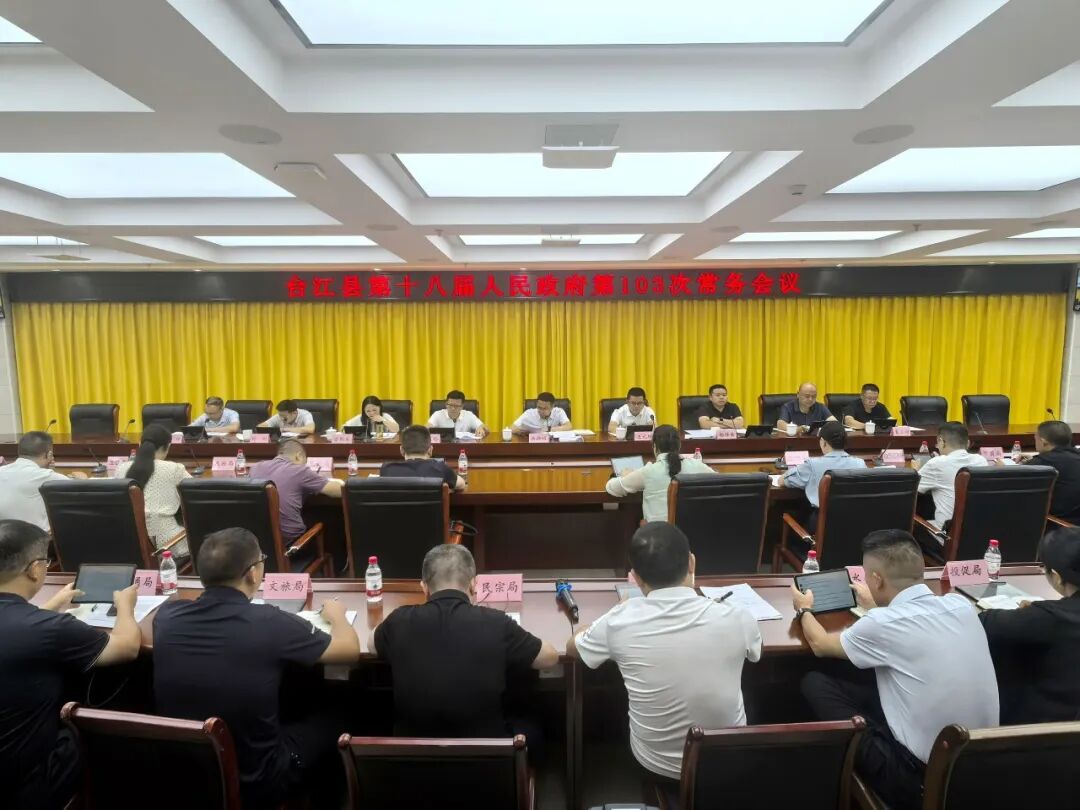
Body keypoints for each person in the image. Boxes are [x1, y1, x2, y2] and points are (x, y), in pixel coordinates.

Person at [153, 527, 360, 808]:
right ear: (252, 573)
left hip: (189, 777)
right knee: (341, 713)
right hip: (259, 782)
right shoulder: (268, 621)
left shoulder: (167, 617)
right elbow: (349, 650)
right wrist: (337, 617)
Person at [794, 529, 998, 810]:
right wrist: (878, 604)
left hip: (920, 781)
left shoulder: (881, 623)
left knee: (815, 682)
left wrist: (803, 608)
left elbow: (819, 644)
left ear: (876, 580)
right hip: (980, 768)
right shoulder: (960, 605)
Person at [568, 523, 761, 785]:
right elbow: (755, 654)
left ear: (636, 577)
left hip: (657, 767)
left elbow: (573, 649)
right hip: (724, 759)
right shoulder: (738, 617)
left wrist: (605, 618)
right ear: (691, 562)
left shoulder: (618, 621)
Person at [0, 519, 140, 810]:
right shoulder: (47, 628)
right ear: (35, 569)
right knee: (98, 729)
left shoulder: (38, 623)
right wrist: (125, 607)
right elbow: (126, 647)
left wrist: (49, 608)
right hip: (26, 783)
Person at [371, 544, 558, 740]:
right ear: (473, 585)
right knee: (531, 719)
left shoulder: (398, 620)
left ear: (424, 587)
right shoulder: (497, 622)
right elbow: (549, 658)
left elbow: (371, 644)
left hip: (411, 755)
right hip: (485, 755)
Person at [980, 528, 1080, 724]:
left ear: (1057, 577)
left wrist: (1034, 613)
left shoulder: (1050, 618)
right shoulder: (1050, 615)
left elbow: (986, 623)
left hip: (1040, 731)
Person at [605, 424, 716, 522]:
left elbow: (612, 488)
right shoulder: (697, 466)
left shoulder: (648, 471)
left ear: (655, 447)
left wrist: (626, 476)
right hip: (690, 532)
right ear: (679, 445)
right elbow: (720, 481)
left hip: (658, 534)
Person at [115, 423, 190, 558]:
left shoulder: (121, 468)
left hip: (131, 543)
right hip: (167, 545)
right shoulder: (174, 469)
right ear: (167, 447)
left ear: (140, 444)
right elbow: (195, 493)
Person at [248, 439, 343, 542]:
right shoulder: (300, 470)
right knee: (330, 517)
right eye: (304, 462)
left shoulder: (255, 468)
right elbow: (341, 491)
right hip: (291, 542)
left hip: (258, 541)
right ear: (298, 456)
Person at [0, 432, 88, 532]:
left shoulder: (1, 470)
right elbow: (81, 491)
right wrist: (83, 480)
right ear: (49, 454)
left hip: (4, 536)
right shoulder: (45, 476)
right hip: (34, 538)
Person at [776, 420, 867, 515]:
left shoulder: (812, 464)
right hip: (855, 520)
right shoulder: (860, 464)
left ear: (823, 442)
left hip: (823, 522)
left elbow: (782, 481)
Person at [913, 421, 988, 530]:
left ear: (941, 442)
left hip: (945, 535)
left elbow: (911, 489)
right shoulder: (981, 460)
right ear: (967, 443)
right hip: (977, 530)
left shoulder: (936, 463)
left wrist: (914, 472)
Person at [380, 425, 466, 492]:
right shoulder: (441, 468)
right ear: (430, 450)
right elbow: (461, 485)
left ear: (401, 450)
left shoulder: (387, 469)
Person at [1025, 420, 1080, 522]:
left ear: (1043, 442)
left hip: (1060, 523)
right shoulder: (1076, 455)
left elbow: (1014, 480)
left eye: (1035, 438)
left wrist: (1002, 468)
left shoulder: (1041, 462)